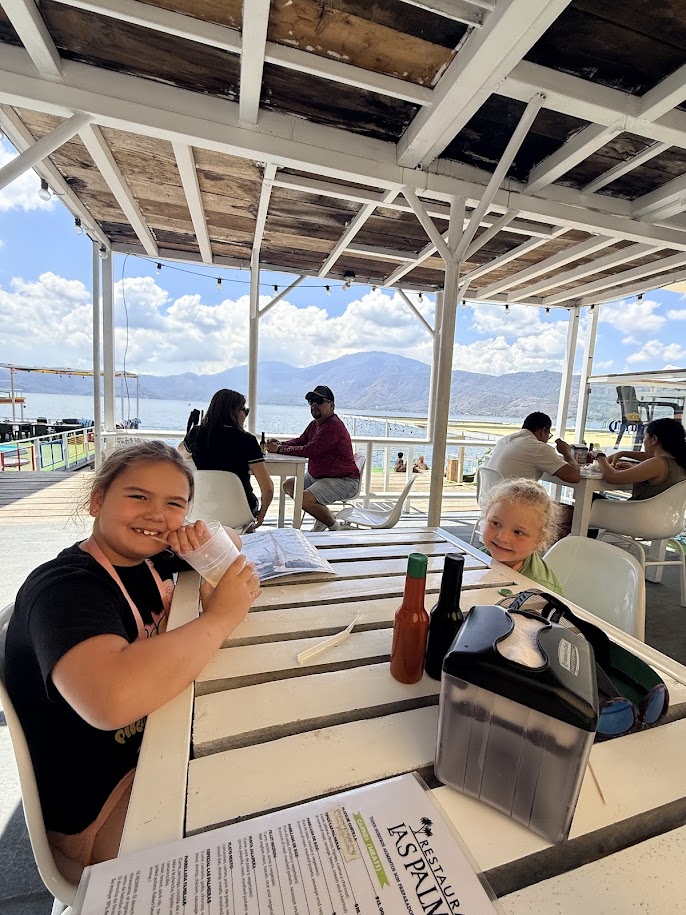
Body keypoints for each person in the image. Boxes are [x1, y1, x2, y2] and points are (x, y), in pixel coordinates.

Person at [5, 441, 261, 882]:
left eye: (174, 504)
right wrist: (220, 618)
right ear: (97, 501)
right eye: (138, 496)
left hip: (159, 747)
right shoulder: (64, 590)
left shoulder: (150, 558)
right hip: (101, 810)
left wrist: (200, 541)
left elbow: (235, 541)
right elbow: (110, 699)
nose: (156, 515)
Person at [266, 385, 360, 531]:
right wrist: (280, 444)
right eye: (311, 401)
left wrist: (278, 449)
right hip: (319, 477)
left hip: (344, 480)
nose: (314, 404)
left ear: (331, 405)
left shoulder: (333, 426)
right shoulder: (315, 424)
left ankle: (336, 528)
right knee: (288, 486)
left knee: (304, 498)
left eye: (319, 401)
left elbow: (310, 450)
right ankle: (322, 517)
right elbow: (300, 441)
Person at [182, 389, 273, 527]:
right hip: (241, 512)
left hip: (202, 510)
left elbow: (179, 456)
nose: (245, 415)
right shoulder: (247, 441)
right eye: (245, 410)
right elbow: (268, 489)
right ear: (234, 412)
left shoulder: (196, 433)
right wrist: (262, 514)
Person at [480, 477, 564, 595]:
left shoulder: (537, 590)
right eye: (496, 523)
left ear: (540, 540)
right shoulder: (483, 554)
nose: (502, 537)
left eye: (518, 532)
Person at [593, 417, 686, 499]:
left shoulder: (658, 463)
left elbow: (612, 477)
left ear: (654, 439)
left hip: (634, 512)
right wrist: (624, 456)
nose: (643, 440)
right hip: (661, 512)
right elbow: (648, 458)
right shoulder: (678, 462)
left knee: (592, 498)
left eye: (644, 436)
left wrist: (599, 456)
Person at [487, 411, 580, 485]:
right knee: (562, 505)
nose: (547, 439)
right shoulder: (539, 448)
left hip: (490, 498)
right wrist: (566, 452)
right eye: (548, 435)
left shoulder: (503, 441)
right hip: (513, 500)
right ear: (543, 431)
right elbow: (574, 476)